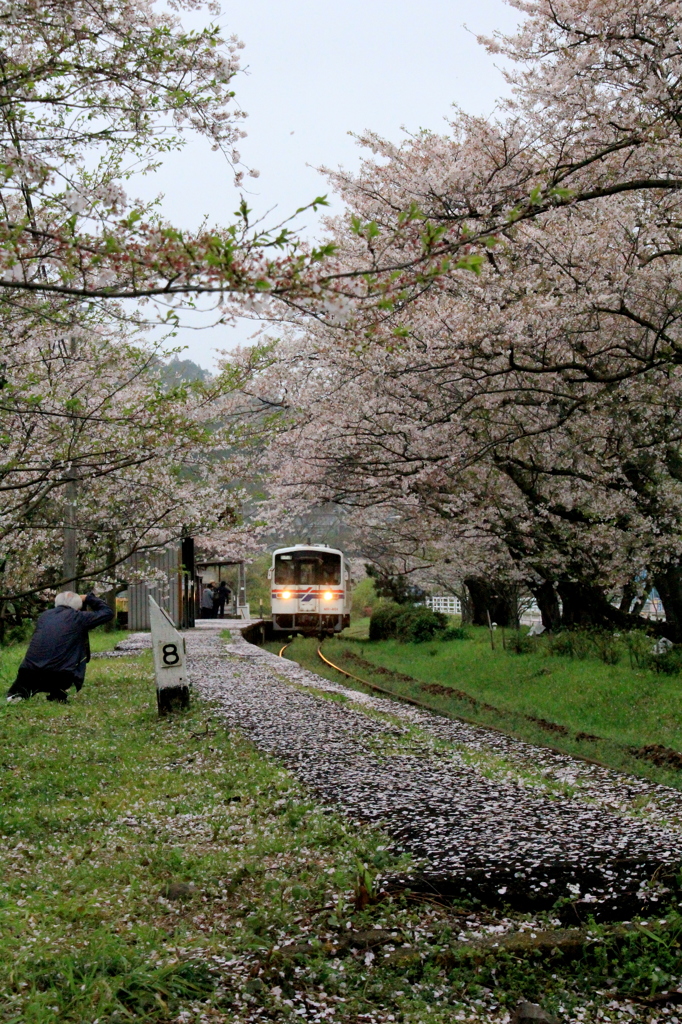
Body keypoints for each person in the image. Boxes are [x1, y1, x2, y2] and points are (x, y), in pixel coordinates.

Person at [6, 591, 114, 703]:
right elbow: (107, 613)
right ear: (78, 606)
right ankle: (58, 693)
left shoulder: (44, 616)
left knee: (16, 695)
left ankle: (18, 695)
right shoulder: (79, 617)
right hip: (60, 676)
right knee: (68, 657)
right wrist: (88, 598)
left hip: (28, 672)